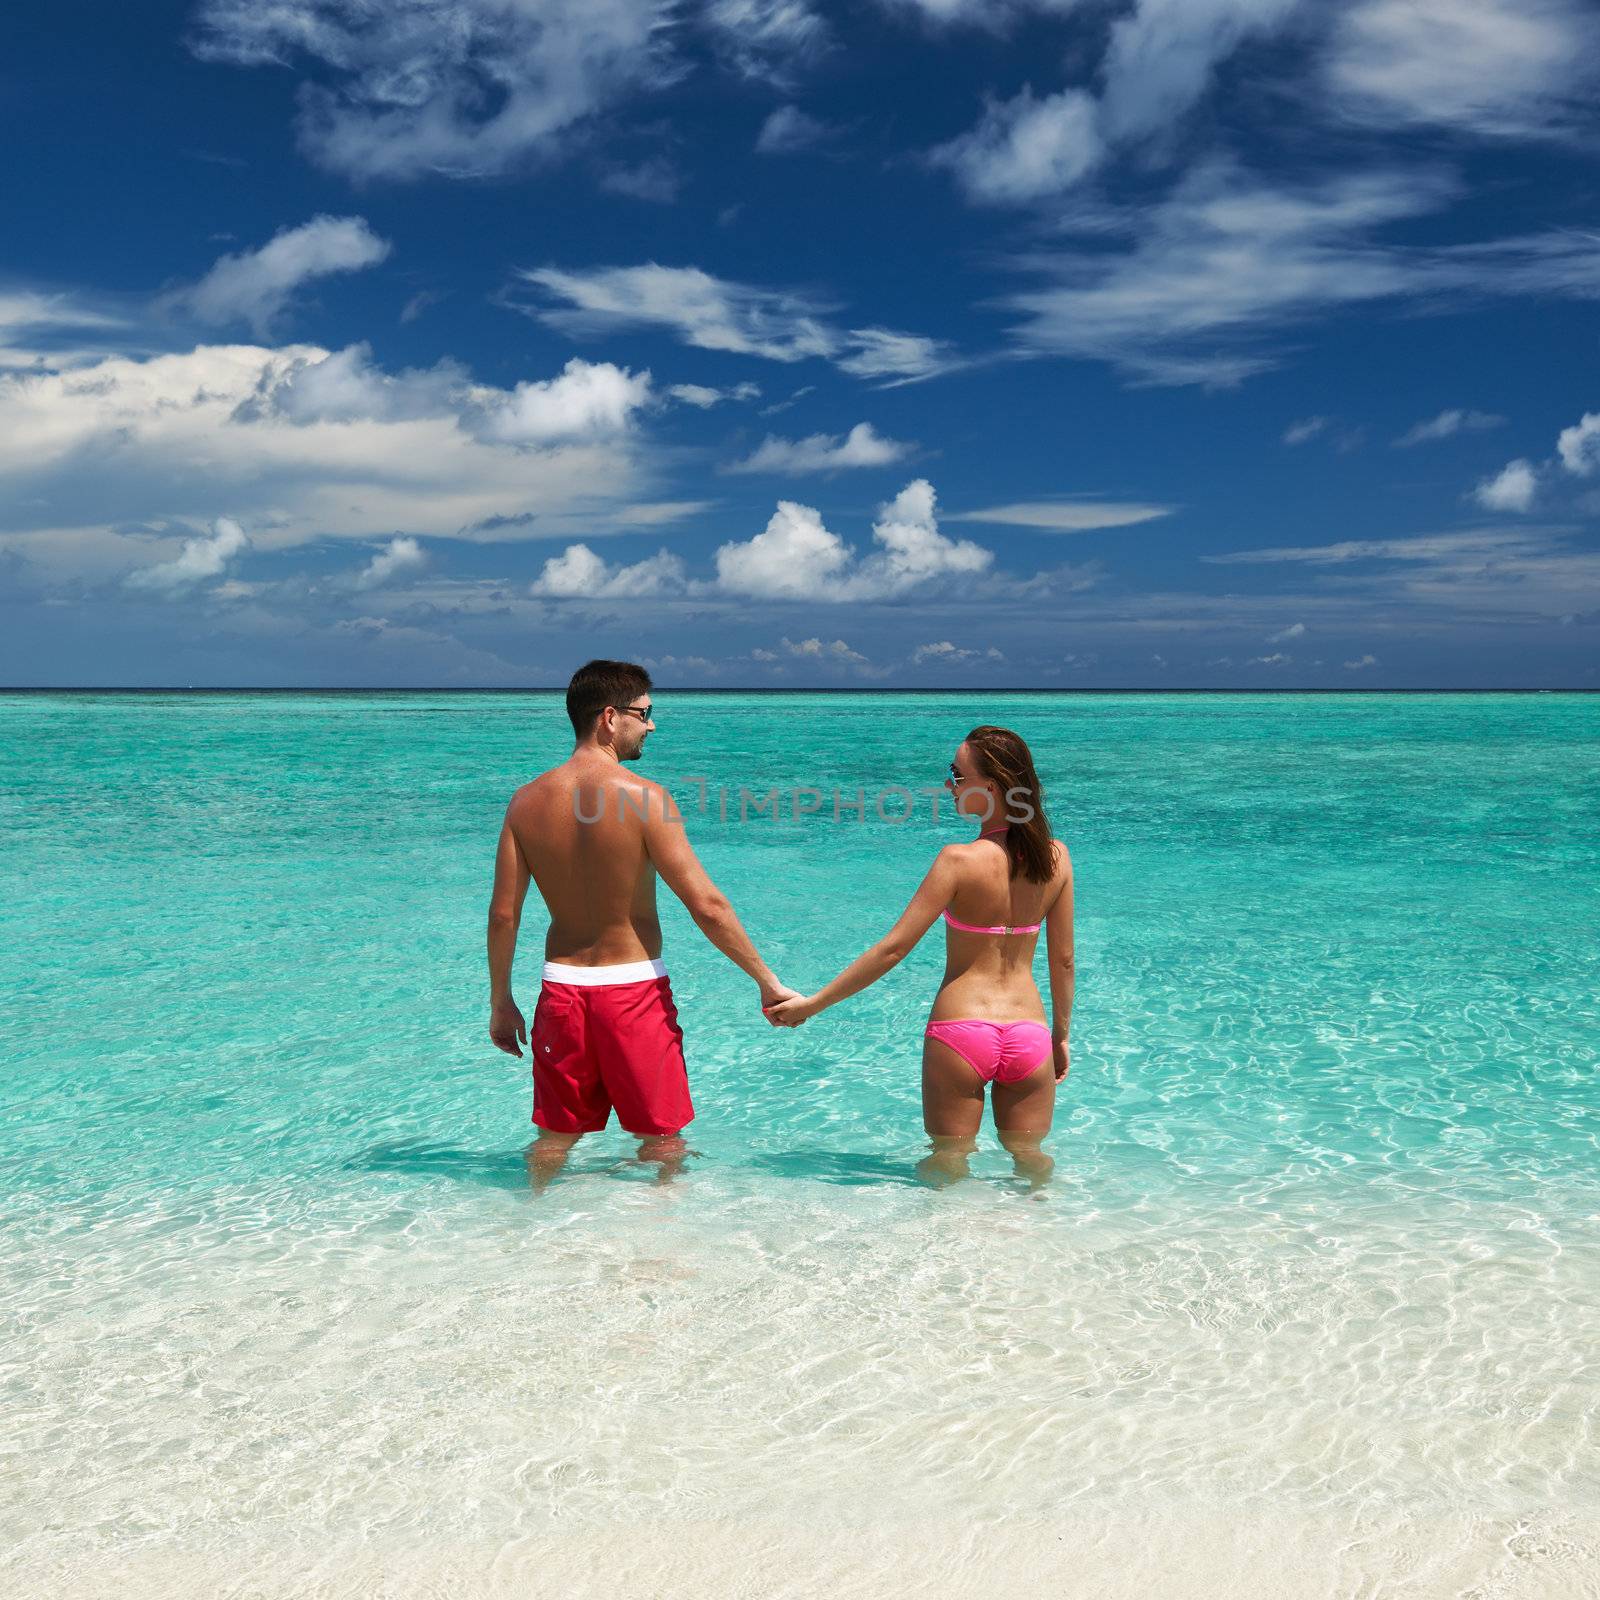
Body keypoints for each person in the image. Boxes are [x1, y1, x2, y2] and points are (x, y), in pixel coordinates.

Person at [487, 659, 797, 1185]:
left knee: (556, 1136)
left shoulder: (526, 802)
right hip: (632, 993)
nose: (651, 725)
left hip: (560, 992)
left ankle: (528, 1228)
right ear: (610, 718)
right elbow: (708, 905)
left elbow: (503, 914)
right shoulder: (645, 797)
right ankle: (659, 1250)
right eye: (645, 713)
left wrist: (501, 1001)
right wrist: (766, 981)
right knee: (662, 1139)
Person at [767, 726, 1073, 1186]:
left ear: (989, 788)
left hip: (961, 1033)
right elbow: (1063, 960)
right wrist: (1061, 1037)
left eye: (956, 775)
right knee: (1031, 1163)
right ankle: (1036, 1247)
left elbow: (893, 950)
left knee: (947, 1165)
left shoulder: (957, 860)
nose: (948, 786)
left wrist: (812, 1005)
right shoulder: (1057, 858)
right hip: (1030, 1035)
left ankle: (943, 1252)